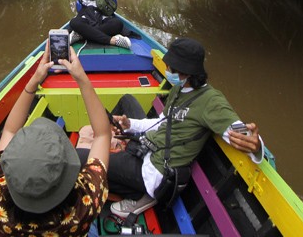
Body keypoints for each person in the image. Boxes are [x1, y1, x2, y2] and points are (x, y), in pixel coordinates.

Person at [92, 37, 265, 219]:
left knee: (85, 158)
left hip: (154, 170)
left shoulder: (212, 102)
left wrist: (257, 145)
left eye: (171, 68)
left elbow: (242, 134)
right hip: (149, 146)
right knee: (127, 100)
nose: (166, 71)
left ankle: (139, 196)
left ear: (187, 72)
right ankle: (115, 147)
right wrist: (131, 125)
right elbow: (161, 123)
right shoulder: (178, 89)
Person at [0, 40, 111, 236]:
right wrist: (81, 78)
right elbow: (103, 134)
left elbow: (9, 130)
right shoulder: (84, 205)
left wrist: (34, 80)